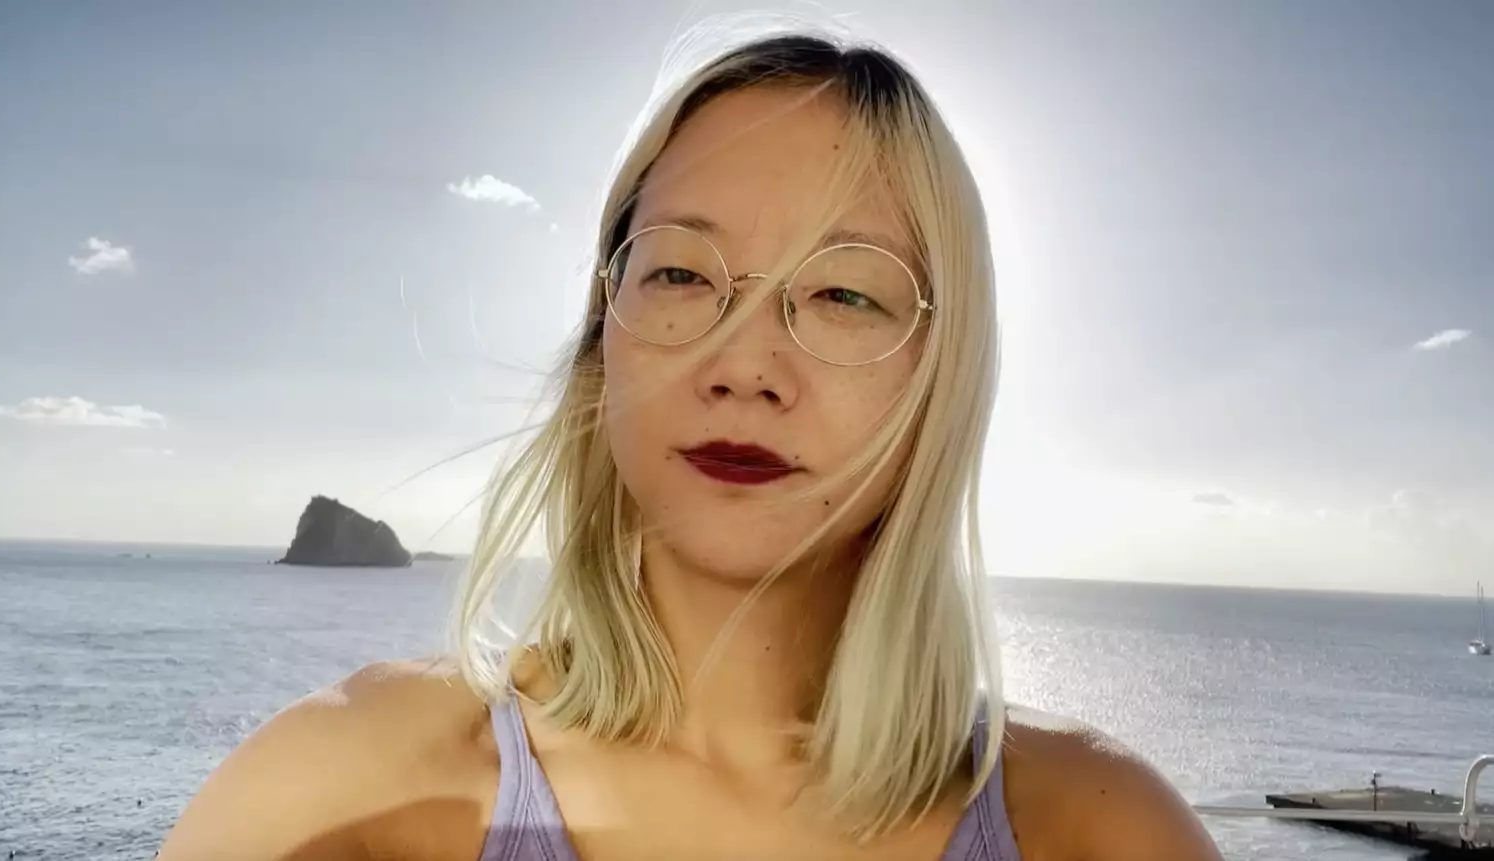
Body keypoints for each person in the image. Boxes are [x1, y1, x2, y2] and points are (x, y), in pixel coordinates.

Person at [160, 28, 1223, 861]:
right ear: (600, 340)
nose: (742, 361)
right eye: (678, 273)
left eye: (845, 292)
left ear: (941, 377)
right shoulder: (344, 790)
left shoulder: (1097, 832)